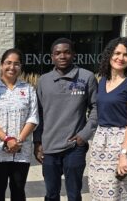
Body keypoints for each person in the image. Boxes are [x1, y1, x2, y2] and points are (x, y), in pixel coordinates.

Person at [33, 38, 98, 201]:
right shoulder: (44, 80)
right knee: (51, 194)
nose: (62, 56)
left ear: (74, 55)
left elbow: (96, 108)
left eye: (67, 52)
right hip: (49, 147)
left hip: (74, 147)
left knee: (74, 194)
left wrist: (84, 135)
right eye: (58, 53)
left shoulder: (87, 77)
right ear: (52, 57)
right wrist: (37, 142)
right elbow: (38, 114)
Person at [88, 37, 127, 200]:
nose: (120, 58)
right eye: (117, 53)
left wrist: (123, 154)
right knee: (99, 189)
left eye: (126, 55)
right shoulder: (103, 82)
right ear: (109, 55)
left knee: (125, 192)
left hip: (122, 142)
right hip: (101, 143)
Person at [0, 48, 38, 201]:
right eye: (8, 63)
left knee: (18, 190)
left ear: (21, 67)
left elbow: (33, 117)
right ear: (1, 65)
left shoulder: (28, 89)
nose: (12, 67)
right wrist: (7, 139)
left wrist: (18, 141)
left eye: (16, 64)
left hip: (21, 151)